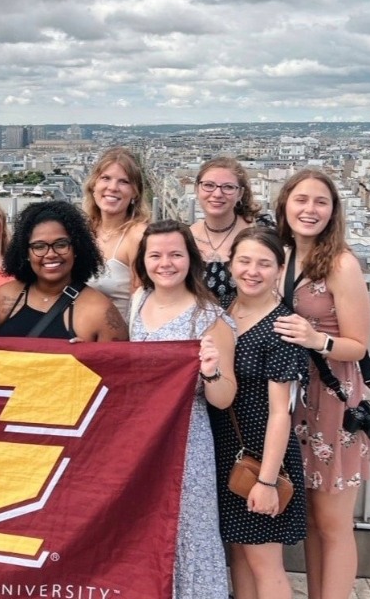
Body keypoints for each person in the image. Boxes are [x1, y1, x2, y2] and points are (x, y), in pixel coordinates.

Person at [271, 169, 370, 599]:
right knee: (311, 516)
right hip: (290, 397)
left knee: (332, 521)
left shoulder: (342, 264)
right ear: (285, 205)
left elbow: (358, 345)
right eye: (301, 200)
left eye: (320, 202)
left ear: (334, 211)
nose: (310, 209)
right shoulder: (281, 253)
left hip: (330, 398)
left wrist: (318, 339)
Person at [129, 219, 236, 598]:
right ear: (143, 261)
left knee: (189, 531)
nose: (166, 263)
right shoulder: (139, 300)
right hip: (142, 440)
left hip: (187, 442)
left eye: (175, 254)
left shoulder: (210, 318)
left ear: (191, 259)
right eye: (155, 255)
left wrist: (211, 373)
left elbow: (224, 397)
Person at [208, 227, 308, 598]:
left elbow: (282, 412)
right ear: (231, 264)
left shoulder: (280, 326)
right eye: (244, 261)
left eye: (264, 264)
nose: (252, 271)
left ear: (279, 271)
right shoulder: (224, 309)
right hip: (226, 449)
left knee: (265, 565)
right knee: (241, 560)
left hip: (260, 454)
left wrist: (267, 481)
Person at [0, 200, 127, 341]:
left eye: (61, 244)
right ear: (26, 253)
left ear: (76, 249)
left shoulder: (99, 311)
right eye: (39, 246)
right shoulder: (2, 297)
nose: (51, 254)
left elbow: (117, 361)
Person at [188, 157, 268, 307]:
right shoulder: (185, 238)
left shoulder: (262, 230)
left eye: (228, 187)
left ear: (240, 194)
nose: (217, 194)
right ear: (196, 189)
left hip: (253, 326)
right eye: (209, 185)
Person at [82, 147, 149, 323]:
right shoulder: (83, 231)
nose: (112, 187)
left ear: (135, 192)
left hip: (116, 340)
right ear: (93, 185)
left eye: (124, 182)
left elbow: (140, 303)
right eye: (105, 178)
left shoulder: (137, 236)